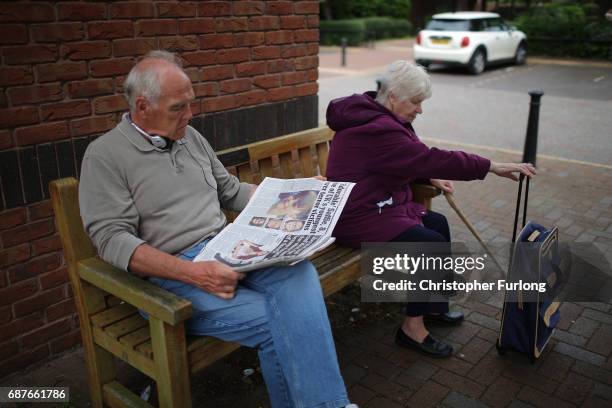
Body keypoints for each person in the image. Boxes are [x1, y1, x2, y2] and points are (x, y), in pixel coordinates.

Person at [79, 50, 355, 408]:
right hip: (175, 276)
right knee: (283, 324)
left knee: (301, 273)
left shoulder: (190, 138)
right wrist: (194, 273)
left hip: (230, 247)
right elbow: (112, 241)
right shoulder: (104, 156)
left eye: (191, 104)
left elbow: (232, 191)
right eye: (179, 107)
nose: (190, 115)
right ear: (143, 106)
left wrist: (298, 194)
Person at [326, 60, 536, 358]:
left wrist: (425, 175)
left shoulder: (377, 114)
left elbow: (403, 159)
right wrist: (492, 166)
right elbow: (429, 157)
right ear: (395, 96)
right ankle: (412, 329)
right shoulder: (376, 128)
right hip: (356, 216)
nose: (420, 109)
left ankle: (433, 305)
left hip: (380, 205)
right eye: (416, 102)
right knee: (430, 244)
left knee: (436, 223)